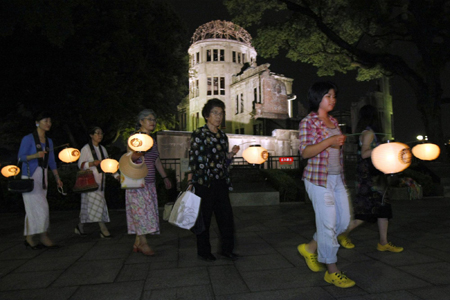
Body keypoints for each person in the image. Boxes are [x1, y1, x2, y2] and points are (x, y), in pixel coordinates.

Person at [297, 81, 355, 288]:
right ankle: (332, 271)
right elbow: (305, 152)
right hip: (318, 180)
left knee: (343, 223)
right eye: (328, 96)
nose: (332, 100)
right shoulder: (308, 122)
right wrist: (330, 142)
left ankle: (310, 248)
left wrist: (338, 141)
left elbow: (335, 150)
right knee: (328, 225)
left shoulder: (334, 121)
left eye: (334, 96)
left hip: (337, 178)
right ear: (317, 98)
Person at [337, 104, 403, 252]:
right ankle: (341, 234)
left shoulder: (369, 132)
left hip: (375, 176)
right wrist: (383, 148)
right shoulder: (369, 133)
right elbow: (364, 153)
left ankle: (383, 242)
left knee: (383, 210)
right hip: (371, 179)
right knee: (367, 212)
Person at [186, 98, 240, 262]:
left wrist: (231, 155)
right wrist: (190, 182)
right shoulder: (198, 135)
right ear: (207, 116)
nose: (218, 116)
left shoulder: (223, 137)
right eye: (215, 113)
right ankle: (204, 251)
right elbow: (193, 160)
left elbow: (223, 161)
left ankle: (227, 249)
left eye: (221, 113)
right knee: (205, 219)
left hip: (221, 182)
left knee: (226, 218)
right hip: (204, 183)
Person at [126, 109, 172, 256]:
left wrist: (165, 177)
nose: (153, 122)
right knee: (141, 214)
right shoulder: (135, 138)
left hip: (150, 183)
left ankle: (137, 242)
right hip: (137, 182)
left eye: (154, 119)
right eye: (149, 119)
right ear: (141, 122)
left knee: (146, 212)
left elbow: (156, 160)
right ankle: (143, 243)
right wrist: (139, 152)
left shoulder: (152, 139)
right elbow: (129, 158)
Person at [18, 111, 63, 249]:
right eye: (45, 121)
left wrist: (57, 178)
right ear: (37, 123)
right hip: (29, 176)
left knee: (33, 208)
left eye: (49, 121)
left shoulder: (49, 141)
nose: (48, 124)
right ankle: (43, 236)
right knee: (42, 207)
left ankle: (30, 237)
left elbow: (52, 162)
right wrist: (35, 155)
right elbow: (21, 157)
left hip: (42, 177)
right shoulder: (28, 139)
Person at [75, 126, 119, 238]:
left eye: (101, 133)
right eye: (97, 133)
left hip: (100, 182)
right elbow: (80, 164)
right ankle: (103, 229)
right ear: (91, 135)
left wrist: (116, 175)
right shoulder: (86, 148)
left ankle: (79, 226)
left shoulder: (103, 149)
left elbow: (107, 165)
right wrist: (91, 163)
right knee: (98, 204)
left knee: (89, 206)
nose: (100, 135)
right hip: (90, 182)